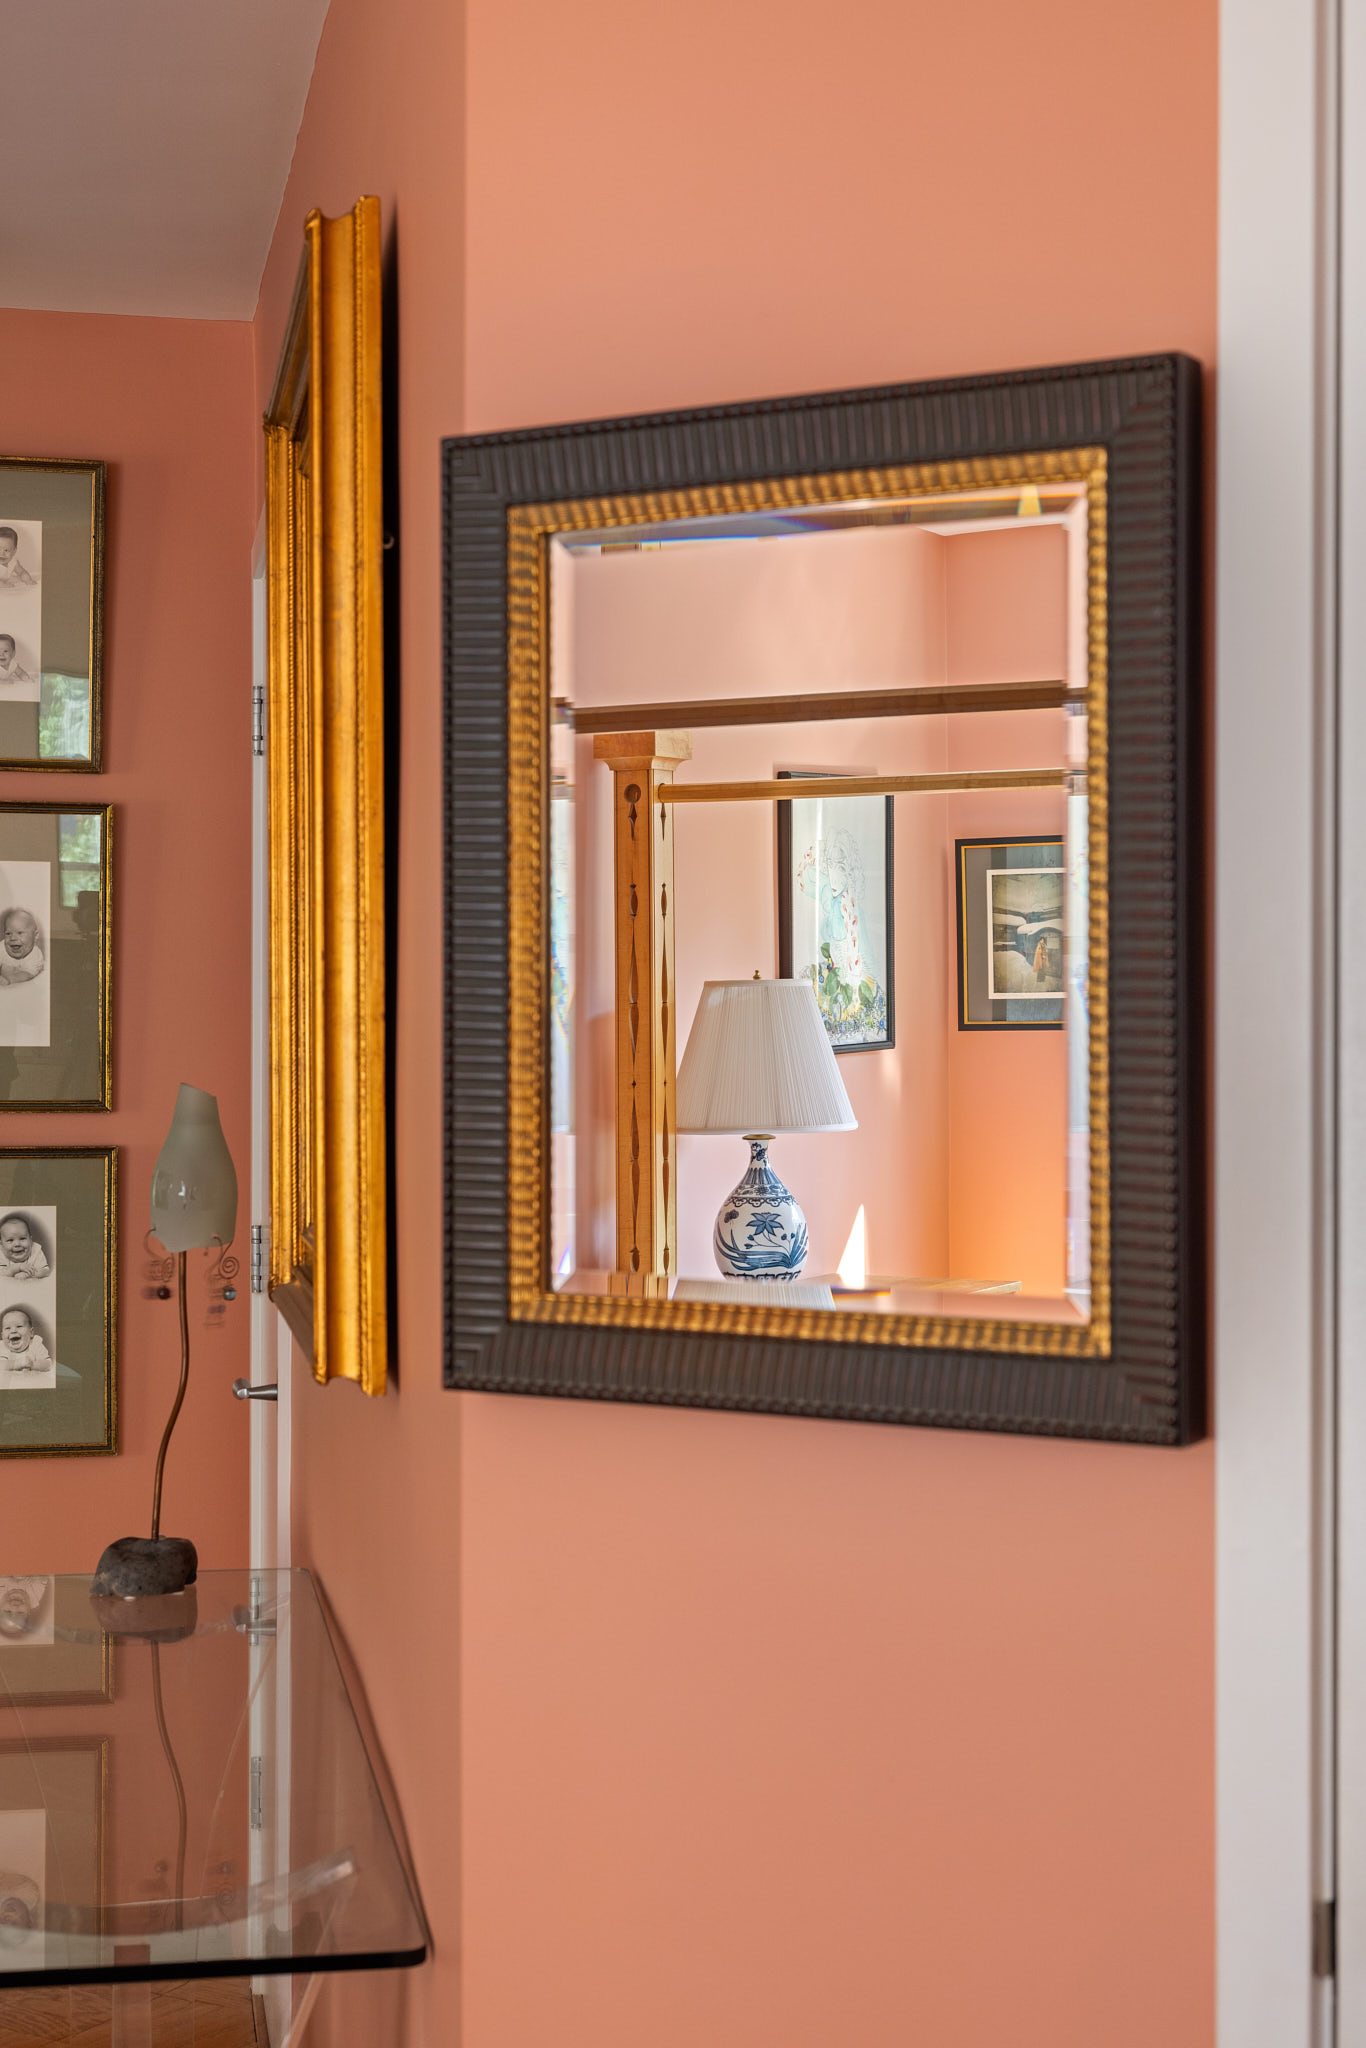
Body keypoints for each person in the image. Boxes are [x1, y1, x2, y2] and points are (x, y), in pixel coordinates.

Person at [0, 1306, 49, 1374]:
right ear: (2, 1336)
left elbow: (48, 1364)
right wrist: (17, 1364)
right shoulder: (2, 1346)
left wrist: (32, 1365)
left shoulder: (35, 1343)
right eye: (8, 1328)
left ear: (31, 1333)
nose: (13, 1331)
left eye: (19, 1326)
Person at [0, 910, 43, 987]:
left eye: (20, 933)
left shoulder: (35, 955)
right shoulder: (2, 947)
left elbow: (27, 974)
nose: (12, 938)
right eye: (8, 933)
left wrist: (9, 979)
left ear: (35, 936)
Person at [0, 1216, 47, 1282]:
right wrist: (18, 1267)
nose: (17, 1244)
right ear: (1, 1245)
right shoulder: (1, 1253)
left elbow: (45, 1270)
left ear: (31, 1240)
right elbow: (1, 1273)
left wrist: (30, 1275)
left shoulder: (35, 1250)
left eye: (22, 1238)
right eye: (10, 1240)